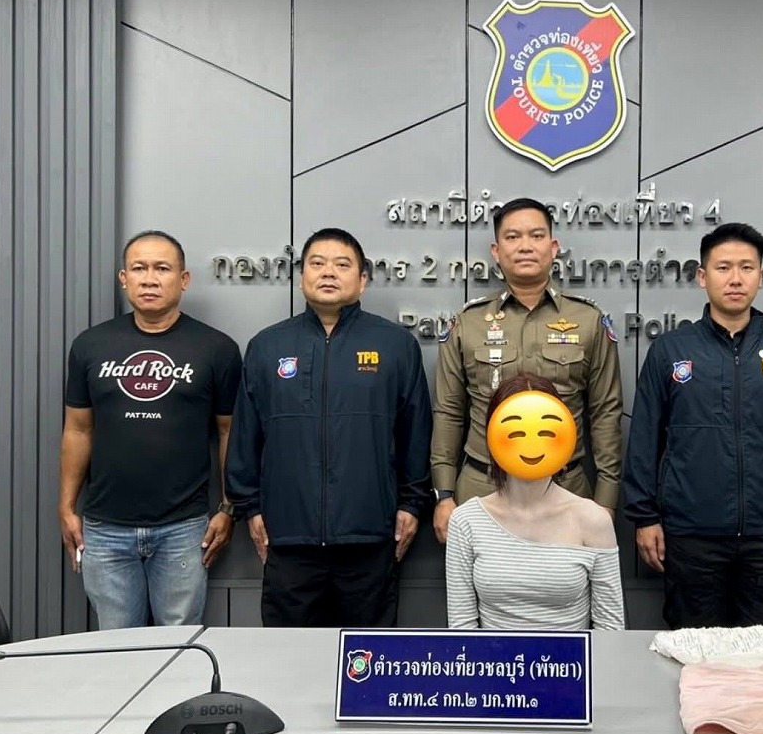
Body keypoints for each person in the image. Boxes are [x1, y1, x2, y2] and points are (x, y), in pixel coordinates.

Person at [622, 222, 763, 630]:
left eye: (746, 267)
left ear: (761, 275)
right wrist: (644, 518)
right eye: (723, 268)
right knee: (695, 650)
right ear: (702, 277)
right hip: (690, 535)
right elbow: (644, 440)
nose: (735, 279)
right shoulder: (670, 351)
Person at [225, 227, 433, 628]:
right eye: (317, 263)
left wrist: (411, 504)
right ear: (302, 274)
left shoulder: (395, 345)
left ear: (363, 279)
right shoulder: (267, 347)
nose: (328, 272)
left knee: (366, 657)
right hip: (289, 538)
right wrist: (249, 507)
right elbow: (246, 436)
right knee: (290, 657)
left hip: (370, 538)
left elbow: (416, 433)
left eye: (342, 264)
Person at [58, 230, 242, 630]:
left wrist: (228, 508)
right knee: (117, 646)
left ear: (183, 279)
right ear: (124, 279)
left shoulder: (217, 349)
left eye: (162, 268)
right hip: (105, 528)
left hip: (184, 529)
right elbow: (78, 430)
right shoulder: (90, 346)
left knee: (178, 646)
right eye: (139, 269)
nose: (150, 279)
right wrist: (66, 507)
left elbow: (230, 433)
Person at [431, 197, 623, 543]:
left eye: (536, 236)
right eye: (512, 237)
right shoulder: (468, 322)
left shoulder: (588, 320)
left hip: (566, 487)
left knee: (567, 579)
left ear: (553, 247)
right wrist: (444, 494)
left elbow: (605, 413)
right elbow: (449, 412)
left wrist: (606, 499)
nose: (525, 246)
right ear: (496, 250)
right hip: (482, 487)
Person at [445, 373, 625, 630]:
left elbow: (610, 628)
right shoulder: (466, 521)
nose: (530, 443)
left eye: (545, 431)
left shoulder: (593, 519)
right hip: (493, 656)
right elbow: (462, 627)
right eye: (516, 432)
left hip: (570, 657)